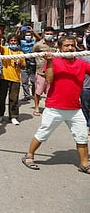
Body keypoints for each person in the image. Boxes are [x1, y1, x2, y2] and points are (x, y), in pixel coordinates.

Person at [22, 36, 90, 174]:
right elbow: (49, 79)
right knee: (43, 134)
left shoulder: (82, 63)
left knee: (82, 136)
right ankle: (29, 155)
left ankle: (84, 163)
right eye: (66, 46)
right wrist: (50, 61)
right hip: (54, 108)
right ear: (60, 48)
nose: (70, 48)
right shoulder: (54, 61)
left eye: (72, 45)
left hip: (75, 109)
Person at [0, 32, 26, 125]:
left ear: (18, 42)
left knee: (14, 99)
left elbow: (24, 66)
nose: (13, 42)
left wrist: (19, 63)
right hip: (4, 78)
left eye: (15, 41)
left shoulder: (20, 53)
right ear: (8, 42)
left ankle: (13, 116)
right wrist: (0, 36)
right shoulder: (5, 49)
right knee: (1, 97)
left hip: (15, 79)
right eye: (11, 41)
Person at [32, 27, 57, 116]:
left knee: (51, 92)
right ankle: (36, 107)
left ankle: (49, 108)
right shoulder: (38, 45)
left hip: (52, 72)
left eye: (51, 34)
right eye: (47, 33)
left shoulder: (55, 45)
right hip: (41, 71)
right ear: (43, 34)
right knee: (38, 92)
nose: (49, 35)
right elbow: (32, 54)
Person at [17, 26, 40, 102]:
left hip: (33, 63)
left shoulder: (34, 42)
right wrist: (18, 30)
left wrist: (33, 31)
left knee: (33, 81)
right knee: (24, 81)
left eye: (29, 35)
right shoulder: (22, 42)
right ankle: (27, 95)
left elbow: (39, 38)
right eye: (26, 35)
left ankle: (34, 94)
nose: (28, 36)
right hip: (24, 63)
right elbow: (16, 37)